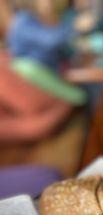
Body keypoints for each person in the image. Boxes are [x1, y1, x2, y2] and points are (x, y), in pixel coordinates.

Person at [0, 0, 86, 143]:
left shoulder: (37, 20)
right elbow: (51, 41)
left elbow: (62, 47)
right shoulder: (23, 22)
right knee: (86, 96)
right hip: (37, 74)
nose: (49, 3)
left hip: (47, 75)